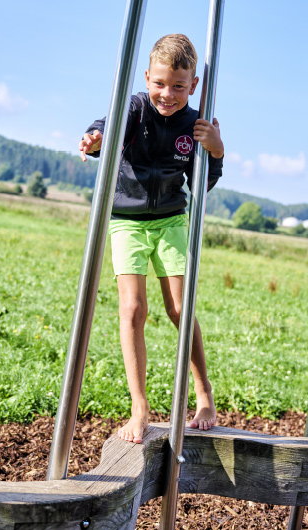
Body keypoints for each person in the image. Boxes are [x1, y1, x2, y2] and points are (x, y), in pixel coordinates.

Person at [78, 34, 223, 443]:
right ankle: (139, 406)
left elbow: (205, 184)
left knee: (179, 308)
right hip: (126, 219)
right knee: (133, 308)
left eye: (178, 86)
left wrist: (216, 149)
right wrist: (94, 139)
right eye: (160, 83)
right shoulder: (136, 108)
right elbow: (106, 126)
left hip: (171, 220)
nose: (167, 94)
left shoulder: (195, 124)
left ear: (193, 85)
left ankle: (204, 391)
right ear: (147, 78)